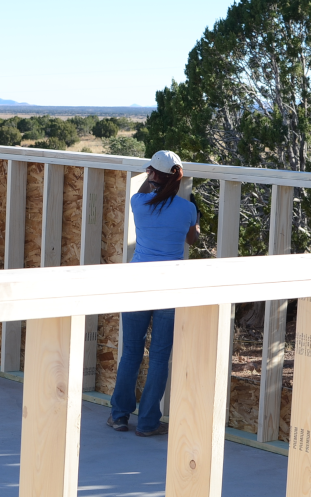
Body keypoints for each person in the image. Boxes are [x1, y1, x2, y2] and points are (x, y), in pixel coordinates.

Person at [108, 149, 199, 436]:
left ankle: (119, 416)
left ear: (151, 174)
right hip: (170, 287)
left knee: (131, 352)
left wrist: (151, 178)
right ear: (178, 177)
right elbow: (193, 239)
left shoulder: (139, 203)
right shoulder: (187, 209)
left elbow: (146, 190)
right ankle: (147, 423)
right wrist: (194, 217)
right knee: (159, 357)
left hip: (137, 283)